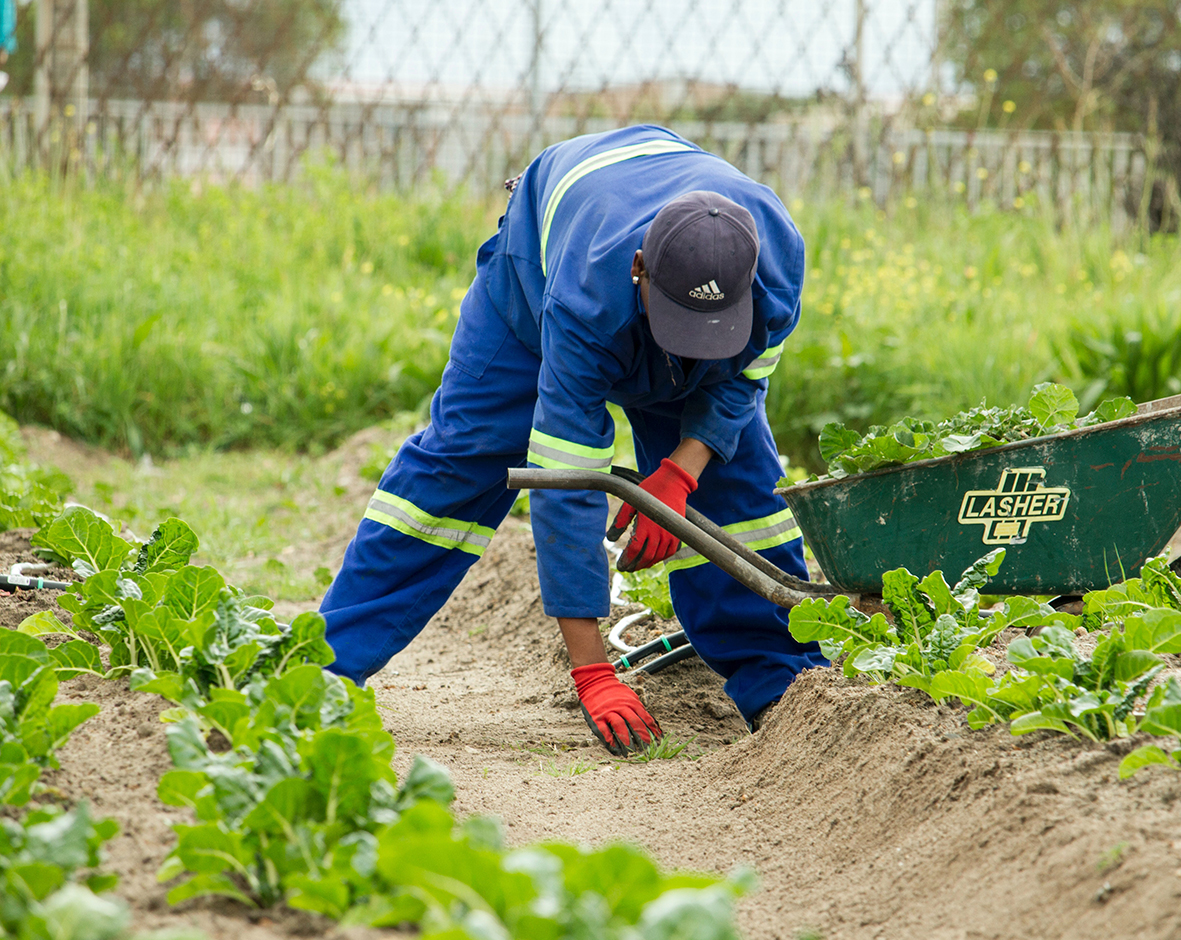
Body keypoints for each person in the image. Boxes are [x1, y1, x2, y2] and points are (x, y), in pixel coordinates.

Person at [319, 124, 826, 755]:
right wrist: (592, 671)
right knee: (462, 462)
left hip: (654, 245)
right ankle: (323, 670)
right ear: (639, 271)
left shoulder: (776, 265)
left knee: (733, 490)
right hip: (540, 272)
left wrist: (681, 473)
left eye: (711, 330)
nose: (692, 350)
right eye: (679, 327)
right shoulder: (586, 297)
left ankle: (783, 685)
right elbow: (567, 483)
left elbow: (744, 379)